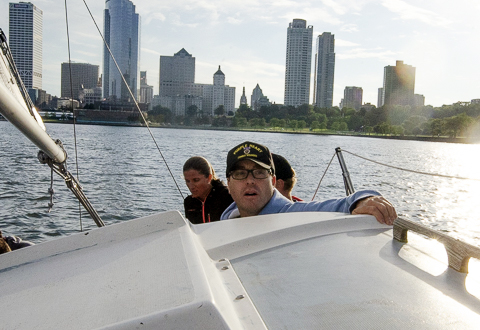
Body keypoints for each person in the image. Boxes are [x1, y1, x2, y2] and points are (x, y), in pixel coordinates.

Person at [221, 141, 397, 224]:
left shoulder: (293, 214)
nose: (250, 181)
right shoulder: (228, 217)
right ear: (228, 184)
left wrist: (363, 200)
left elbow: (340, 205)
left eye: (259, 173)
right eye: (240, 174)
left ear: (273, 181)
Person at [183, 156, 234, 224]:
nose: (191, 186)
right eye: (187, 181)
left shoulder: (227, 196)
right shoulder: (189, 202)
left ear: (209, 177)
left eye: (196, 180)